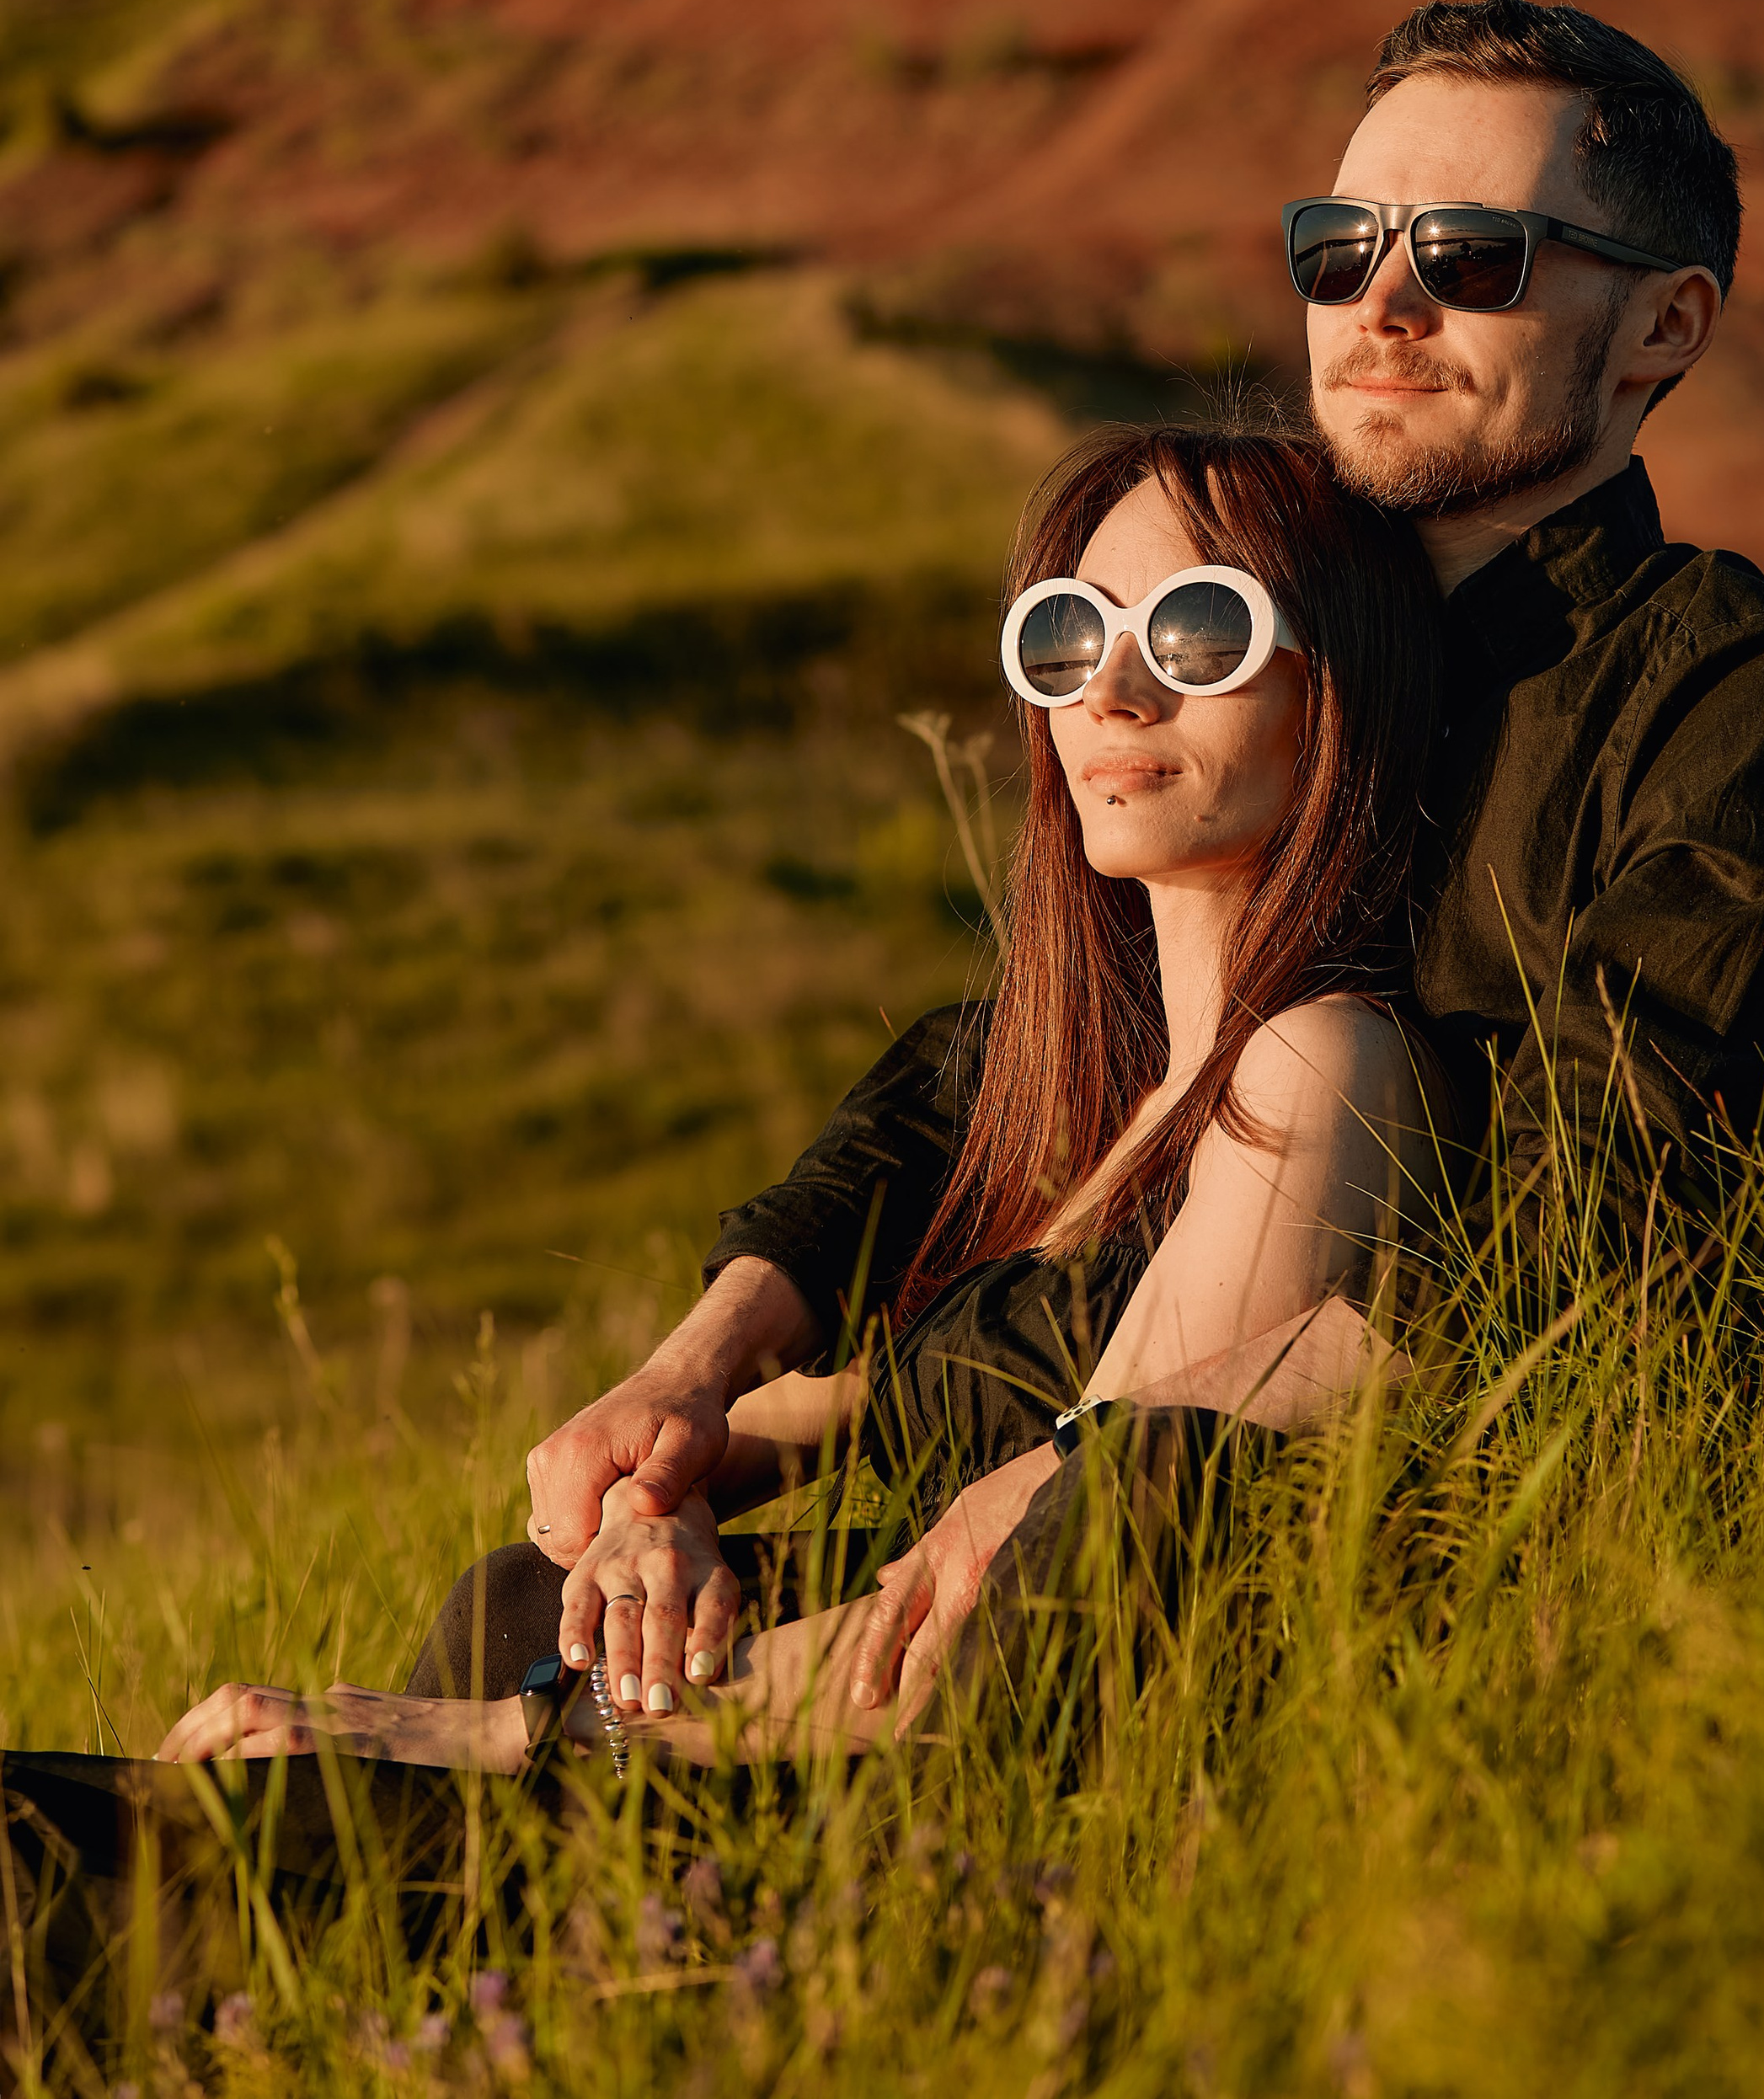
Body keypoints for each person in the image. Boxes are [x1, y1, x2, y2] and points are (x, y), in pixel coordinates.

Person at [506, 0, 1764, 1706]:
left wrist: (1101, 1457)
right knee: (527, 1604)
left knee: (1071, 1548)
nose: (1381, 304)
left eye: (1472, 255)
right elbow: (1002, 1054)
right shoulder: (1255, 632)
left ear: (1660, 325)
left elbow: (1624, 1241)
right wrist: (710, 1364)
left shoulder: (1721, 701)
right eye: (1340, 248)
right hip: (1067, 1430)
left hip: (1401, 1506)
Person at [158, 424, 1449, 1774]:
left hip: (850, 1782)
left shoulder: (1318, 1061)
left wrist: (479, 1734)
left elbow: (1046, 1573)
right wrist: (658, 1528)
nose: (1110, 692)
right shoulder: (1077, 1100)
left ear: (1339, 683)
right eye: (1067, 636)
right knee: (509, 1598)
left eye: (1199, 631)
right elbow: (739, 1440)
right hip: (721, 1738)